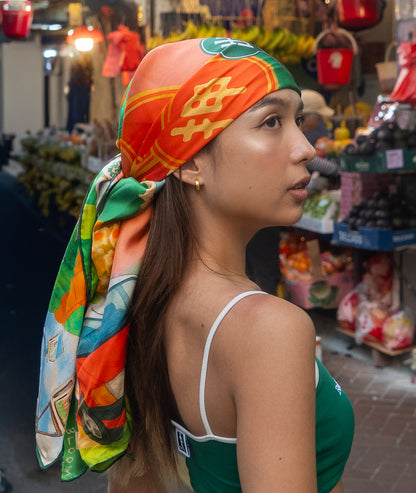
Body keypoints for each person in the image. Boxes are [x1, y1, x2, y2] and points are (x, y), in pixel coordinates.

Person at [35, 38, 354, 493]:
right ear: (189, 163)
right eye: (271, 122)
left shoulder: (133, 303)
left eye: (298, 121)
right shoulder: (268, 329)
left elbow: (133, 484)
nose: (305, 147)